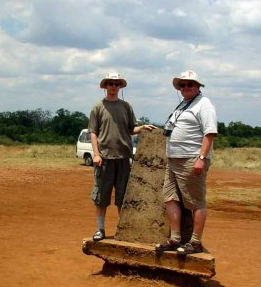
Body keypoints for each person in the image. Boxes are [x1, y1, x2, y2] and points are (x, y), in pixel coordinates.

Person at [89, 72, 156, 241]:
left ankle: (123, 230)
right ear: (105, 86)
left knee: (123, 197)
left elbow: (130, 129)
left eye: (116, 83)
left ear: (120, 86)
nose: (113, 86)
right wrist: (96, 154)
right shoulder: (98, 107)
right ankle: (100, 229)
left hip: (124, 158)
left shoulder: (126, 106)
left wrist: (141, 128)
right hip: (104, 158)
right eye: (110, 83)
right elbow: (93, 132)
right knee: (101, 196)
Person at [156, 70, 217, 254]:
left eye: (190, 84)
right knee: (170, 197)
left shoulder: (204, 104)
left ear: (198, 86)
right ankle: (176, 239)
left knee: (196, 202)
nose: (186, 87)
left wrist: (201, 158)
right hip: (173, 160)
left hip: (191, 159)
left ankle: (195, 242)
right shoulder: (184, 104)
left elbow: (210, 133)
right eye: (183, 85)